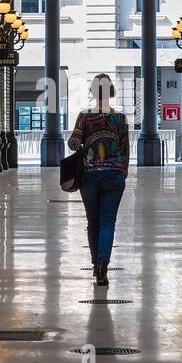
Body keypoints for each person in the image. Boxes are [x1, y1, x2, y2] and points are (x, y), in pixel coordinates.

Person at [68, 74, 129, 286]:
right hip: (113, 176)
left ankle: (96, 264)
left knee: (93, 222)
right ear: (111, 91)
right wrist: (122, 172)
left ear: (93, 92)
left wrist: (80, 143)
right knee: (107, 222)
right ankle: (103, 265)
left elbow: (73, 142)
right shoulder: (120, 119)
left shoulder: (84, 117)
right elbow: (125, 150)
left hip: (90, 176)